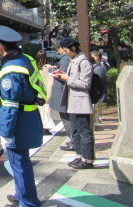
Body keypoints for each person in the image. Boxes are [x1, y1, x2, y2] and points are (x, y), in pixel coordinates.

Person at [0, 25, 44, 207]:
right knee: (21, 161)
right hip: (30, 116)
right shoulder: (26, 59)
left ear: (0, 47)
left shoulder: (10, 70)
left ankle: (29, 203)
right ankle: (22, 193)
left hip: (18, 121)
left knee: (19, 162)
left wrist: (5, 133)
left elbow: (10, 105)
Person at [52, 37, 95, 170]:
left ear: (73, 48)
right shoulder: (74, 60)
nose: (65, 53)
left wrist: (67, 78)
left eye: (66, 50)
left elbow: (86, 83)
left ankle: (88, 160)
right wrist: (61, 74)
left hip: (81, 101)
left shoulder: (84, 62)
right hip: (72, 100)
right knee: (75, 130)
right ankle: (80, 155)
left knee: (84, 131)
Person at [47, 37, 74, 151]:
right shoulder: (67, 58)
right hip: (65, 92)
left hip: (63, 93)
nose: (58, 51)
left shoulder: (65, 59)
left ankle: (73, 141)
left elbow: (62, 75)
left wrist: (51, 71)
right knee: (67, 118)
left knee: (67, 119)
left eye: (58, 49)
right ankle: (73, 140)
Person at [35, 50, 55, 135]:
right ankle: (46, 127)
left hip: (38, 92)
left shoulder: (35, 68)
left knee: (40, 110)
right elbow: (51, 82)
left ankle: (41, 127)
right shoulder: (48, 67)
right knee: (47, 110)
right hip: (47, 91)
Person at [92, 50, 109, 124]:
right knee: (98, 110)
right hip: (101, 94)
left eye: (92, 57)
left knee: (96, 110)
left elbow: (98, 83)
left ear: (97, 58)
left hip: (98, 94)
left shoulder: (98, 68)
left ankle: (96, 121)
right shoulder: (101, 66)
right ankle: (97, 120)